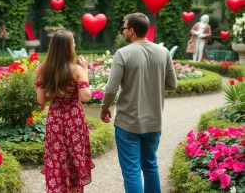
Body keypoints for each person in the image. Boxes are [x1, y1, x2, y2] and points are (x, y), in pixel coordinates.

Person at [100, 13, 177, 193]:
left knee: (132, 171)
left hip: (128, 123)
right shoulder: (163, 52)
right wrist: (153, 84)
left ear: (132, 31)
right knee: (151, 167)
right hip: (154, 123)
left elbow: (111, 89)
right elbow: (172, 84)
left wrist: (104, 108)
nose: (122, 32)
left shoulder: (123, 53)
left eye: (123, 28)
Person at [35, 30, 95, 193]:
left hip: (55, 119)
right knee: (74, 158)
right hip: (73, 119)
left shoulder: (42, 69)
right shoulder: (76, 70)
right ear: (69, 47)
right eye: (73, 42)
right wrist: (85, 71)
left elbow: (41, 100)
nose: (75, 45)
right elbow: (86, 97)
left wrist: (54, 93)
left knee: (57, 158)